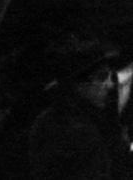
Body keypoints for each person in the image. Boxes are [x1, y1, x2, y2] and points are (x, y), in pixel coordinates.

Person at [28, 33, 133, 180]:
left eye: (111, 76)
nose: (110, 85)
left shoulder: (98, 118)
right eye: (101, 77)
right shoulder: (66, 129)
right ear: (78, 85)